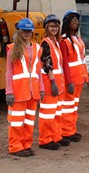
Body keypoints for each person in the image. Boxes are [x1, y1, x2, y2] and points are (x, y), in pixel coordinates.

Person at [5, 18, 44, 157]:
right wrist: (9, 92)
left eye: (29, 31)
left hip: (32, 92)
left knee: (28, 121)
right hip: (18, 91)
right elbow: (9, 72)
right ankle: (15, 147)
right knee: (16, 121)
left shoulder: (37, 48)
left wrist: (41, 88)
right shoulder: (12, 48)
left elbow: (38, 70)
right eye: (24, 31)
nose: (27, 33)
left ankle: (26, 145)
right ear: (19, 32)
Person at [38, 14, 67, 150]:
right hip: (51, 83)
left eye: (56, 26)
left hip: (58, 84)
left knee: (57, 112)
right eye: (51, 26)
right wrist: (53, 82)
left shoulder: (56, 42)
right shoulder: (46, 43)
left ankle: (56, 136)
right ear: (46, 27)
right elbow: (47, 64)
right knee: (47, 113)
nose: (54, 28)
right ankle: (45, 140)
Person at [60, 10, 87, 142]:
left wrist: (85, 76)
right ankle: (66, 132)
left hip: (79, 78)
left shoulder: (77, 39)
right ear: (67, 22)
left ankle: (71, 129)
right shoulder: (64, 40)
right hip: (71, 80)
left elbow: (81, 59)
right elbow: (64, 62)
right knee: (68, 106)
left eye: (77, 20)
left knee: (73, 106)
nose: (76, 22)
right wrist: (68, 81)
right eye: (73, 19)